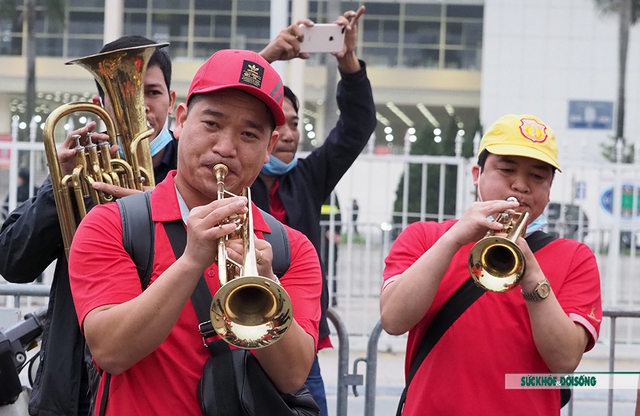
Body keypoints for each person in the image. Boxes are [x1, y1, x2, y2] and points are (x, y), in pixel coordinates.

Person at [67, 48, 322, 415]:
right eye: (212, 124)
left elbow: (292, 375)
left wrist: (267, 281)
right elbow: (110, 352)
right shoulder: (111, 224)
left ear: (269, 147)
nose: (225, 148)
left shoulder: (290, 248)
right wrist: (190, 262)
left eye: (249, 134)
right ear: (181, 121)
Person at [380, 114, 602, 415]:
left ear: (549, 190)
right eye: (507, 169)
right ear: (477, 173)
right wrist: (452, 240)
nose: (520, 185)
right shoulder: (424, 237)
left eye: (537, 177)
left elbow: (564, 360)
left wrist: (532, 274)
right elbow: (393, 320)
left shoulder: (575, 256)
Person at [0, 35, 176, 416]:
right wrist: (55, 187)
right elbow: (13, 261)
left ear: (171, 101)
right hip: (72, 385)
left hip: (158, 384)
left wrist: (154, 208)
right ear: (101, 106)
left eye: (153, 92)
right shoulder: (80, 172)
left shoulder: (190, 175)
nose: (142, 106)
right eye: (127, 94)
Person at [253, 6, 376, 415]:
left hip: (298, 344)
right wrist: (265, 58)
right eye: (277, 124)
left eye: (294, 123)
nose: (288, 134)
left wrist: (349, 63)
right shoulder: (222, 176)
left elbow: (357, 126)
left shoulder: (308, 177)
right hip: (231, 337)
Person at [320, 194, 342, 307]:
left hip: (329, 238)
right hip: (317, 236)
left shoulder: (331, 195)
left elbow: (337, 214)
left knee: (331, 268)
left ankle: (332, 297)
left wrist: (336, 231)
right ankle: (322, 297)